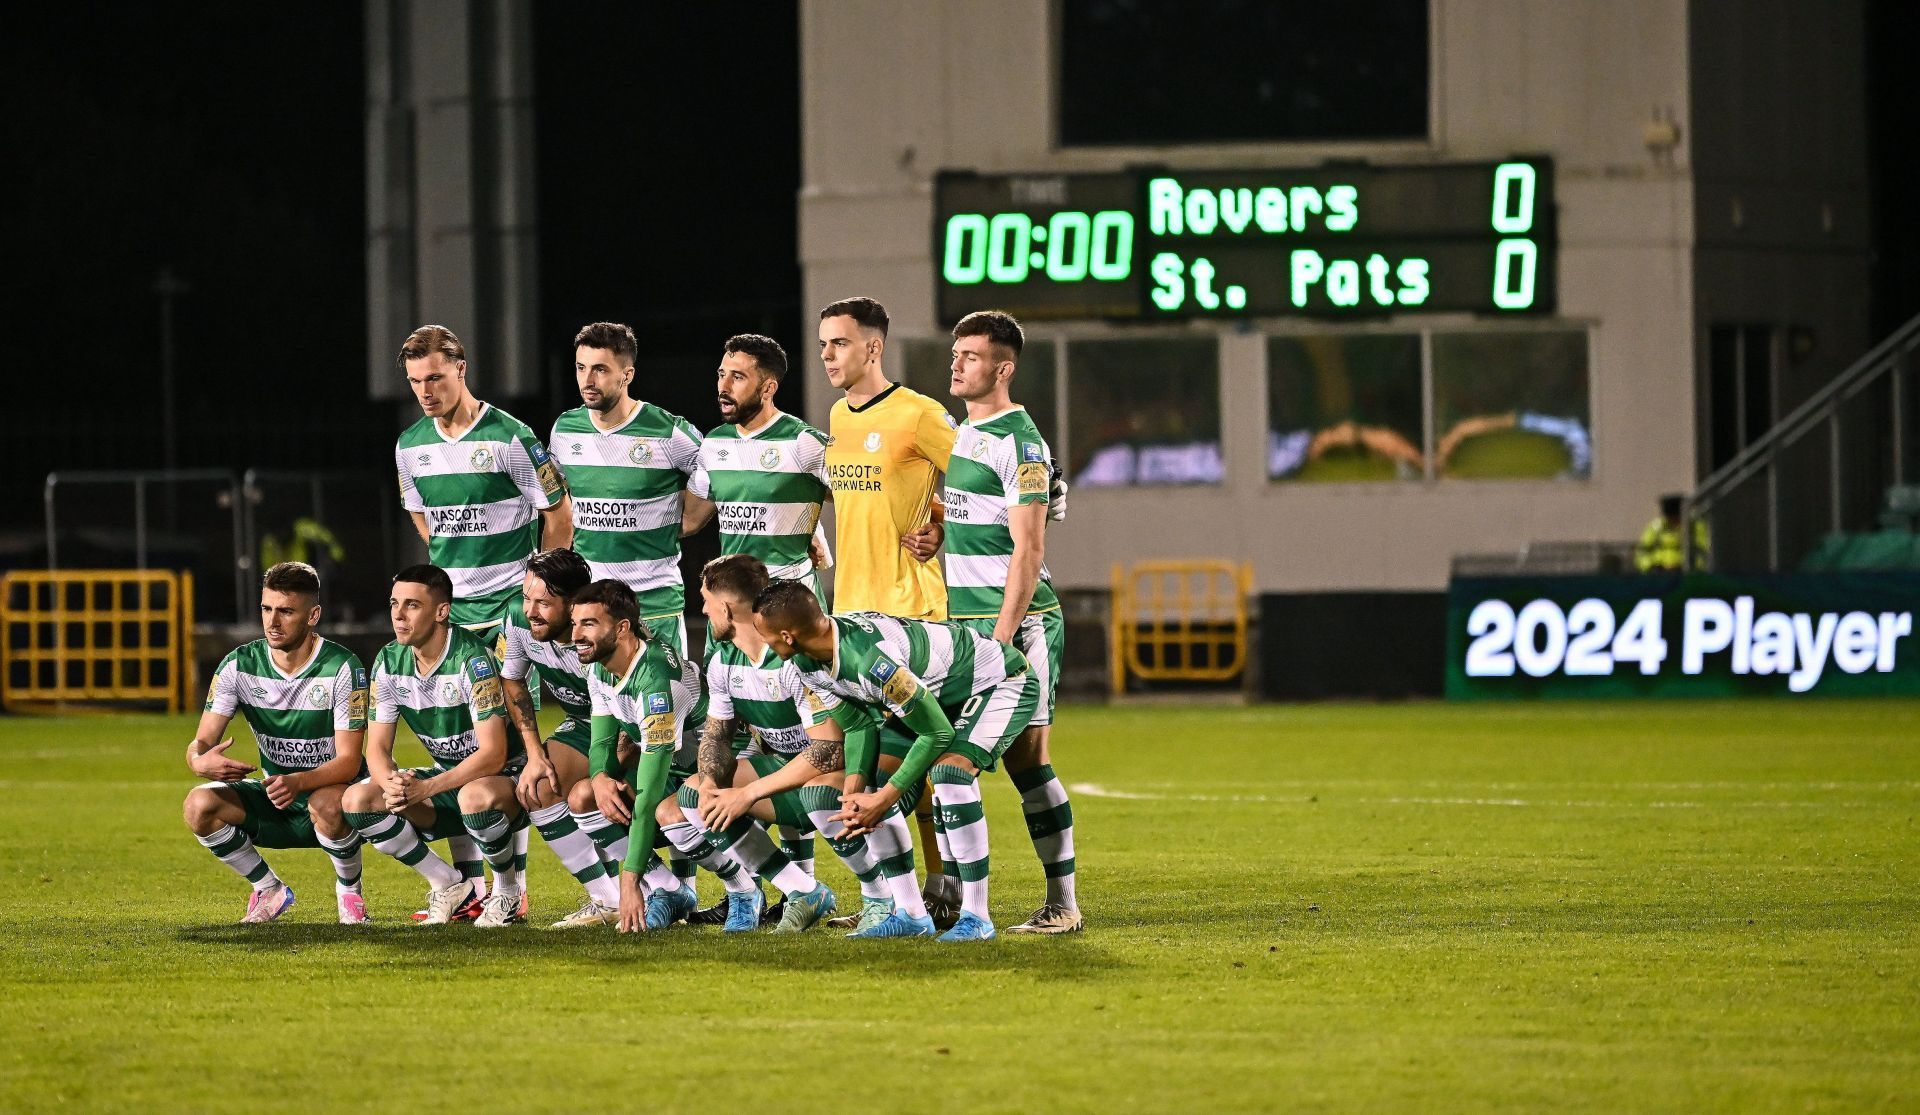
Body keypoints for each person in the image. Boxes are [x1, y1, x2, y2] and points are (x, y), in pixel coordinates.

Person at [753, 580, 1038, 942]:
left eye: (764, 634)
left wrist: (884, 799)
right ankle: (911, 914)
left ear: (787, 635)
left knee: (950, 774)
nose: (762, 641)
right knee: (867, 792)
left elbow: (936, 734)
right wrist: (854, 795)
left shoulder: (873, 662)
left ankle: (977, 917)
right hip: (933, 698)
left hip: (995, 683)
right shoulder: (809, 660)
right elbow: (857, 726)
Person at [659, 554, 922, 935]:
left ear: (727, 607)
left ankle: (878, 897)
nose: (701, 608)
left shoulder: (792, 657)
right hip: (793, 773)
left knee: (817, 794)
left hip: (854, 771)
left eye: (705, 600)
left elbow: (828, 751)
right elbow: (717, 735)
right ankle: (803, 891)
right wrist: (713, 781)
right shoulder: (723, 661)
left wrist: (748, 793)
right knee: (696, 795)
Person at [394, 323, 567, 904]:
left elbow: (557, 513)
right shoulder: (410, 445)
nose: (426, 390)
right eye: (417, 381)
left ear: (461, 370)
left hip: (502, 615)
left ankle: (507, 887)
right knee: (453, 740)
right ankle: (471, 884)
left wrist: (534, 590)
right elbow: (421, 519)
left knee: (505, 751)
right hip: (450, 615)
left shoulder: (511, 436)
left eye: (435, 378)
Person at [941, 310, 1082, 934]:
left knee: (1026, 763)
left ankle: (1061, 903)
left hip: (1015, 628)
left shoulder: (1021, 445)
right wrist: (937, 532)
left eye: (971, 356)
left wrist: (1001, 639)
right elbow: (984, 518)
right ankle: (948, 897)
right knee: (951, 758)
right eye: (956, 352)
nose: (957, 363)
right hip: (962, 625)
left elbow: (1029, 550)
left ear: (1003, 368)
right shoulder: (965, 433)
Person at [817, 295, 957, 911]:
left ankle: (941, 880)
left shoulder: (920, 414)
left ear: (873, 348)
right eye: (823, 343)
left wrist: (944, 523)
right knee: (862, 754)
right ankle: (898, 893)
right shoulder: (837, 418)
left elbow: (983, 483)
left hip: (909, 611)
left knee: (917, 760)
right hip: (851, 611)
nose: (827, 354)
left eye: (839, 343)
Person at [341, 564, 530, 927]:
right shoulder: (388, 660)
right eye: (394, 603)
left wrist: (425, 788)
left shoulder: (472, 660)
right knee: (358, 800)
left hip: (505, 781)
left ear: (442, 611)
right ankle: (449, 884)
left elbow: (494, 754)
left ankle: (506, 891)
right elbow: (377, 748)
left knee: (472, 798)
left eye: (412, 605)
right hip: (450, 779)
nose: (398, 615)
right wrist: (392, 784)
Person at [181, 562, 369, 924]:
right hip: (278, 797)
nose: (273, 621)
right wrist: (198, 761)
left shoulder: (343, 667)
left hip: (338, 803)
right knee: (198, 804)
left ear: (313, 615)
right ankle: (269, 889)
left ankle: (350, 896)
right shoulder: (238, 665)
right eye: (267, 609)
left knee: (327, 802)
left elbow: (349, 762)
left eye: (286, 611)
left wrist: (298, 781)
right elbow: (201, 741)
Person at [548, 322, 703, 656]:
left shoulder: (668, 431)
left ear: (627, 375)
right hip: (593, 601)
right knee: (605, 706)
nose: (587, 381)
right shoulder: (565, 429)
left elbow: (719, 473)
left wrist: (691, 519)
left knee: (667, 703)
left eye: (600, 369)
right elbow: (554, 498)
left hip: (654, 600)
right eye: (580, 368)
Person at [571, 579, 707, 934]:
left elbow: (647, 795)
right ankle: (668, 887)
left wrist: (627, 883)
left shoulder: (656, 681)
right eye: (575, 623)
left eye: (588, 624)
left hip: (713, 771)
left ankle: (745, 889)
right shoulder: (600, 664)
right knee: (585, 795)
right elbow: (601, 745)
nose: (576, 634)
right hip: (670, 769)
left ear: (621, 628)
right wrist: (601, 778)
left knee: (665, 811)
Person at [499, 547, 625, 927]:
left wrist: (606, 771)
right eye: (526, 598)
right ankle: (608, 898)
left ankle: (658, 888)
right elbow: (512, 679)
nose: (530, 611)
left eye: (544, 602)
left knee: (593, 796)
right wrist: (534, 754)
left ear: (574, 605)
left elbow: (637, 705)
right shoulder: (518, 622)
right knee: (537, 785)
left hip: (630, 728)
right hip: (584, 723)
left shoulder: (603, 631)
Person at [683, 334, 833, 602]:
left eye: (737, 377)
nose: (723, 386)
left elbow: (859, 497)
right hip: (733, 601)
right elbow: (689, 520)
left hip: (791, 602)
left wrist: (930, 522)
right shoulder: (714, 443)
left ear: (767, 388)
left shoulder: (804, 441)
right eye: (721, 374)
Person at [1635, 493, 1710, 572]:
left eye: (1676, 518)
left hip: (1686, 573)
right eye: (1670, 518)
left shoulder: (1695, 527)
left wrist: (1693, 567)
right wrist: (1650, 566)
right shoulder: (1656, 527)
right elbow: (1642, 552)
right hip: (1659, 574)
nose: (1673, 521)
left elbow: (1703, 551)